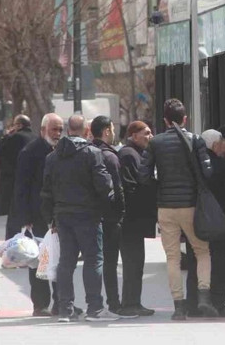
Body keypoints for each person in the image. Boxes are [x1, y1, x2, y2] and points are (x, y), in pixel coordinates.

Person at [41, 115, 126, 322]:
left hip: (63, 216)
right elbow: (104, 186)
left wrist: (50, 218)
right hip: (88, 215)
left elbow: (46, 191)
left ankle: (65, 309)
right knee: (93, 260)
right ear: (86, 132)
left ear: (68, 130)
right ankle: (94, 308)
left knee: (66, 262)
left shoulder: (52, 157)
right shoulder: (93, 153)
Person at [138, 98, 217, 320]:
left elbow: (143, 176)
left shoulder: (156, 143)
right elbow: (208, 173)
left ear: (164, 120)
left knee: (172, 257)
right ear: (185, 119)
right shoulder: (196, 140)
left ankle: (179, 308)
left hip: (166, 208)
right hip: (192, 206)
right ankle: (203, 298)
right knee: (202, 251)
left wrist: (161, 187)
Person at [185, 128, 225, 318]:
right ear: (214, 145)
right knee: (218, 263)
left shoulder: (191, 167)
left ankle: (192, 304)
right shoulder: (223, 167)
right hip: (219, 223)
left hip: (195, 221)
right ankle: (218, 303)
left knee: (195, 261)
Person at [15, 113, 63, 317]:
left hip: (59, 215)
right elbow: (21, 187)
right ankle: (40, 304)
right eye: (54, 129)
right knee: (40, 261)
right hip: (37, 217)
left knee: (60, 259)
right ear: (43, 130)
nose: (58, 134)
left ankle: (60, 303)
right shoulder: (30, 152)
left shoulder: (62, 149)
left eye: (61, 129)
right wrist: (25, 218)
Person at [116, 121, 156, 317]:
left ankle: (134, 302)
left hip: (135, 221)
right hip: (131, 221)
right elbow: (131, 187)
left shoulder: (137, 154)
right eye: (146, 133)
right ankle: (129, 303)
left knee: (136, 263)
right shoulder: (128, 155)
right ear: (134, 135)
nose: (150, 136)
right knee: (132, 263)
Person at [90, 115, 126, 314]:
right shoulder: (110, 156)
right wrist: (121, 214)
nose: (113, 133)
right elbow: (118, 189)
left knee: (93, 261)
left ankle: (93, 304)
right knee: (110, 263)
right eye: (112, 129)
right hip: (110, 217)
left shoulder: (87, 153)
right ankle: (114, 303)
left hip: (90, 215)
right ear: (106, 131)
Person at [0, 115, 37, 239]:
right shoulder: (35, 138)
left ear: (18, 125)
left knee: (14, 220)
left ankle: (11, 247)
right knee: (30, 219)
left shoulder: (15, 137)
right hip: (32, 184)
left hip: (15, 183)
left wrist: (7, 135)